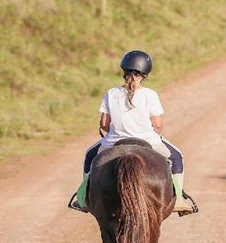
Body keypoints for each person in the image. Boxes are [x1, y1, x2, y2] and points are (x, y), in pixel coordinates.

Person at [68, 50, 196, 215]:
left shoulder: (111, 93)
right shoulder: (150, 95)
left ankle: (83, 198)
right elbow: (157, 125)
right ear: (145, 74)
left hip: (113, 142)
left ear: (124, 71)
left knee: (90, 155)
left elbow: (104, 124)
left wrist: (116, 131)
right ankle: (178, 199)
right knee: (177, 156)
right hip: (148, 140)